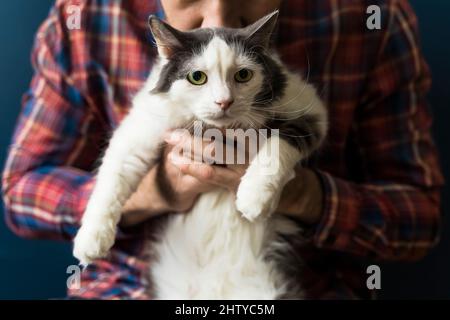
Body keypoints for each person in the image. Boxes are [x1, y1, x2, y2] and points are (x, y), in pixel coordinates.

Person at [2, 0, 444, 299]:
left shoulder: (374, 16)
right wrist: (156, 192)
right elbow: (21, 191)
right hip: (133, 284)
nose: (218, 17)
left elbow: (420, 220)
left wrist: (299, 193)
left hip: (293, 281)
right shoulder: (84, 16)